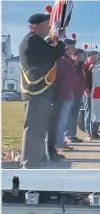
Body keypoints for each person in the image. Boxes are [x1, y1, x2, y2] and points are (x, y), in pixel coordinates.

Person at [19, 10, 66, 168]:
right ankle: (29, 162)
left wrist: (56, 38)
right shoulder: (32, 40)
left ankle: (37, 159)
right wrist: (60, 40)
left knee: (39, 128)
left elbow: (49, 51)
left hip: (40, 92)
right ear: (34, 26)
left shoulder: (36, 40)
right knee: (33, 128)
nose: (48, 28)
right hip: (36, 92)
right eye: (46, 25)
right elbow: (52, 54)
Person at [52, 36, 77, 155]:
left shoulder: (67, 60)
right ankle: (58, 142)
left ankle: (59, 141)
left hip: (68, 94)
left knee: (63, 119)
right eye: (73, 46)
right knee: (61, 120)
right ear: (67, 47)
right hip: (63, 95)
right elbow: (60, 79)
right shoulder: (61, 60)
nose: (75, 49)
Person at [64, 48, 86, 144]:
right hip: (71, 92)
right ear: (73, 56)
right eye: (78, 55)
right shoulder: (70, 65)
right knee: (69, 114)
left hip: (79, 93)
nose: (80, 57)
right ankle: (67, 135)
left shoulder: (81, 67)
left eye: (81, 55)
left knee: (74, 115)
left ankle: (72, 134)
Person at [82, 49, 100, 141]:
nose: (95, 59)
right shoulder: (84, 66)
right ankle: (89, 133)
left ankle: (94, 131)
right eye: (93, 57)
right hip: (88, 92)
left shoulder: (97, 67)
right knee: (88, 113)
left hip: (97, 93)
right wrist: (86, 90)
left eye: (96, 58)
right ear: (88, 58)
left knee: (97, 113)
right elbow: (83, 79)